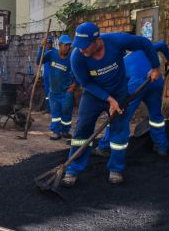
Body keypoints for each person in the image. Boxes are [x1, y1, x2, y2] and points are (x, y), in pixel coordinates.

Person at [63, 22, 161, 186]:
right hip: (93, 95)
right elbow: (86, 83)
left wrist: (155, 67)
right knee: (81, 130)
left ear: (97, 40)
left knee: (119, 131)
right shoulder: (77, 57)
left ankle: (116, 168)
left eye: (85, 46)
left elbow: (144, 43)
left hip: (119, 92)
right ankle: (72, 169)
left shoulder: (117, 41)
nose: (81, 49)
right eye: (78, 46)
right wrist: (108, 99)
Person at [96, 40, 169, 157]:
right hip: (155, 80)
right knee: (156, 116)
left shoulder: (119, 63)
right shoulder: (143, 49)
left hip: (137, 84)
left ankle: (105, 146)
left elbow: (118, 87)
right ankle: (161, 147)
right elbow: (162, 44)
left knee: (120, 115)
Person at [36, 34, 76, 140]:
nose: (68, 47)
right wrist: (41, 47)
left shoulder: (71, 58)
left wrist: (75, 84)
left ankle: (65, 131)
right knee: (55, 114)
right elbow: (38, 61)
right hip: (53, 92)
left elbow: (79, 72)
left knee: (66, 114)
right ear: (60, 45)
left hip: (66, 93)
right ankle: (56, 132)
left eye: (69, 45)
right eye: (65, 45)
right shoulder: (51, 54)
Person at [40, 37, 53, 113]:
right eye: (47, 43)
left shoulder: (54, 52)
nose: (48, 45)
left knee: (52, 93)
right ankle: (48, 109)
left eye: (49, 43)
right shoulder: (43, 52)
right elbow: (39, 61)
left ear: (51, 44)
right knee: (46, 93)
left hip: (52, 76)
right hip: (46, 75)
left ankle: (53, 109)